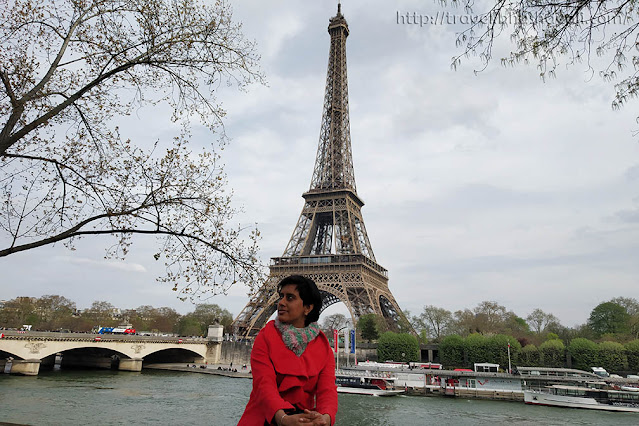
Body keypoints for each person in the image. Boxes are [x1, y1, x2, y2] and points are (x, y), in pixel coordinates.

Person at [238, 275, 337, 426]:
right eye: (281, 296)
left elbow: (327, 390)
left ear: (308, 308)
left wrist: (325, 418)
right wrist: (283, 419)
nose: (281, 302)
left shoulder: (324, 347)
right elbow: (264, 385)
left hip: (303, 420)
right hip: (266, 418)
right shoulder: (265, 337)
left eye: (290, 298)